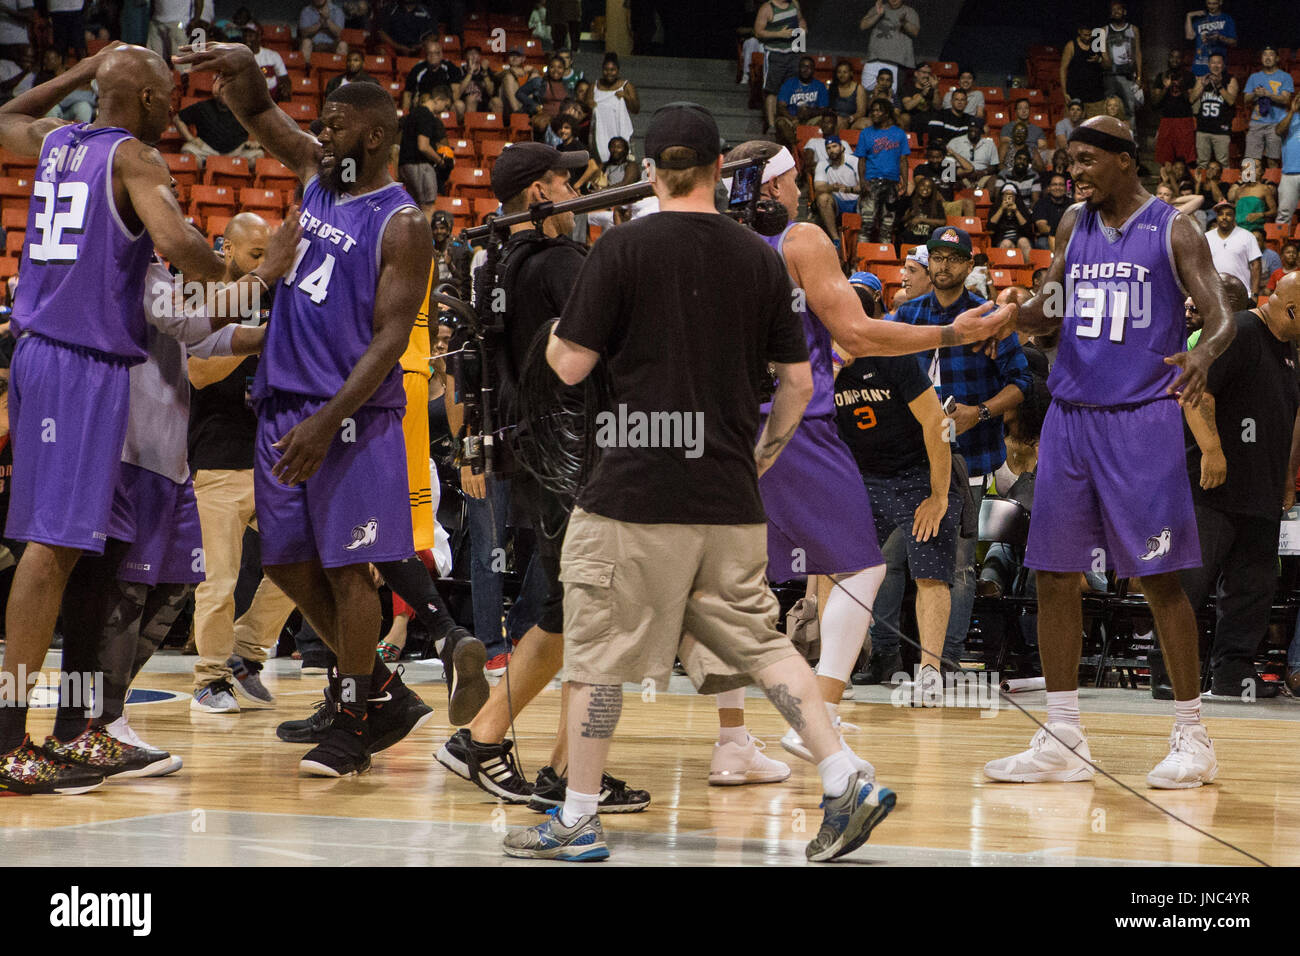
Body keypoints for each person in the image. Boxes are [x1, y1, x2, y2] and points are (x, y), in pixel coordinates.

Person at [505, 107, 980, 863]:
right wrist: (758, 457)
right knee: (759, 641)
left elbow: (568, 367)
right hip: (729, 492)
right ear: (721, 168)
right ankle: (840, 773)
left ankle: (578, 815)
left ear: (654, 171)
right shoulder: (767, 255)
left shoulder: (621, 249)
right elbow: (796, 383)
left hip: (633, 487)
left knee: (596, 655)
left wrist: (558, 335)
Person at [175, 41, 439, 778]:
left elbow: (389, 340)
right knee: (289, 564)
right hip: (281, 407)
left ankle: (354, 718)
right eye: (321, 123)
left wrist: (328, 423)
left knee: (351, 571)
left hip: (347, 419)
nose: (323, 134)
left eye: (337, 123)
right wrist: (238, 65)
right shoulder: (320, 178)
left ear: (376, 135)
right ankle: (379, 691)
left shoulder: (402, 223)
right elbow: (259, 111)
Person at [719, 140, 1012, 768]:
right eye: (795, 180)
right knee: (862, 567)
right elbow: (856, 331)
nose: (802, 191)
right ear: (772, 189)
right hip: (797, 422)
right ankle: (815, 717)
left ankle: (731, 743)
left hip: (725, 427)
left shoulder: (715, 239)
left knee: (728, 582)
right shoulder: (801, 239)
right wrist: (955, 331)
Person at [0, 43, 232, 794]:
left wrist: (85, 71)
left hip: (49, 353)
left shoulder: (58, 140)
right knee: (50, 550)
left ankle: (76, 727)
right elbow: (183, 252)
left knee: (81, 554)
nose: (173, 107)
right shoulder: (136, 159)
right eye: (166, 96)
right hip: (79, 361)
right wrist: (237, 266)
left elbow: (7, 114)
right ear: (154, 102)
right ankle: (6, 739)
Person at [985, 116, 1237, 790]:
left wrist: (1204, 354)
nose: (1078, 173)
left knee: (1159, 577)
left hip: (1141, 416)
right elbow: (1054, 305)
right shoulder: (1074, 223)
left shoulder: (1171, 228)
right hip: (1069, 416)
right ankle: (1062, 738)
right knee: (1050, 572)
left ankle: (1193, 735)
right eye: (1072, 161)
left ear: (1126, 160)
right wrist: (1019, 311)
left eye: (1089, 160)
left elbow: (1220, 314)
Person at [433, 142, 653, 810]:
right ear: (537, 193)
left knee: (578, 613)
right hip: (575, 456)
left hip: (534, 452)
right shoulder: (559, 264)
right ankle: (494, 742)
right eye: (563, 180)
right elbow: (613, 347)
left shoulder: (497, 260)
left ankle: (550, 763)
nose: (573, 191)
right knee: (588, 615)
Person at [888, 225, 1031, 666]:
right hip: (905, 455)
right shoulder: (907, 315)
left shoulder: (989, 318)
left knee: (957, 564)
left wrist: (979, 412)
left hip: (966, 456)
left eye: (953, 257)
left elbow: (1022, 383)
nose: (944, 264)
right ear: (928, 262)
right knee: (891, 560)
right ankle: (883, 655)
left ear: (969, 265)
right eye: (937, 256)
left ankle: (946, 659)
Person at [1157, 273, 1300, 700]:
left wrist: (1287, 480)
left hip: (1263, 491)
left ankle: (1232, 673)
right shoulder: (1237, 331)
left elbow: (1290, 417)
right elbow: (1193, 390)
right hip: (1211, 487)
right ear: (1292, 310)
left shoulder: (1290, 350)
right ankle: (1167, 669)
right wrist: (1213, 450)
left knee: (1251, 591)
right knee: (1189, 582)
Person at [834, 274, 963, 705]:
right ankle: (835, 671)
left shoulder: (893, 357)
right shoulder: (820, 366)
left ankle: (928, 674)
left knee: (929, 571)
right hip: (862, 478)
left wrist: (938, 495)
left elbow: (936, 423)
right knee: (841, 569)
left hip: (920, 474)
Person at [187, 214, 298, 713]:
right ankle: (209, 678)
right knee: (221, 580)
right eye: (257, 256)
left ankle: (247, 653)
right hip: (217, 459)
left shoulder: (277, 302)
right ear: (227, 250)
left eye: (269, 254)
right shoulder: (202, 302)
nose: (266, 264)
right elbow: (199, 373)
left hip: (272, 459)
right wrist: (253, 333)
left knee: (301, 559)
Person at [853, 98, 908, 242]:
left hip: (892, 183)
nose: (875, 113)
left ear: (887, 113)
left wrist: (906, 183)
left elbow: (903, 160)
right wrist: (862, 181)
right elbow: (861, 160)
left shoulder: (899, 134)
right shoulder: (866, 133)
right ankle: (861, 259)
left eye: (879, 110)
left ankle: (885, 258)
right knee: (867, 223)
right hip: (871, 182)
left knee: (887, 226)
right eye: (873, 110)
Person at [398, 85, 451, 219]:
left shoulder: (413, 114)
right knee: (428, 207)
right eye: (445, 106)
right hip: (420, 165)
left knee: (414, 207)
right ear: (438, 99)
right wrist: (440, 161)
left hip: (405, 165)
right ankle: (425, 240)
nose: (443, 110)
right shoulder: (426, 115)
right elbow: (423, 146)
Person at [754, 0, 806, 138]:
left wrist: (803, 30)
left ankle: (789, 121)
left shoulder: (794, 3)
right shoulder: (767, 8)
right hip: (775, 54)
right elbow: (758, 32)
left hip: (793, 53)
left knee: (792, 89)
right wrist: (779, 34)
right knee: (772, 90)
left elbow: (800, 20)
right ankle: (771, 124)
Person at [175, 91, 263, 165]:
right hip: (207, 150)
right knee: (187, 151)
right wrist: (190, 139)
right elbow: (178, 119)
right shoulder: (203, 107)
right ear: (216, 93)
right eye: (222, 92)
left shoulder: (244, 110)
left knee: (258, 155)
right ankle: (199, 183)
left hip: (238, 152)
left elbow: (266, 127)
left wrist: (257, 142)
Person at [1244, 46, 1292, 169]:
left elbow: (1286, 100)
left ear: (1277, 58)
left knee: (1273, 160)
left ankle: (1272, 186)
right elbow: (1245, 100)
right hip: (1256, 123)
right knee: (1250, 161)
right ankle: (1248, 186)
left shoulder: (1285, 77)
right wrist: (1256, 94)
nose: (1267, 57)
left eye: (1271, 54)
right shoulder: (1254, 77)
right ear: (1261, 58)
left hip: (1276, 124)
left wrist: (1268, 94)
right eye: (1265, 54)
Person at [585, 53, 637, 164]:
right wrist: (590, 104)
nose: (609, 73)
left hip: (619, 129)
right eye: (606, 70)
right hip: (600, 131)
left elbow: (636, 109)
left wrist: (626, 97)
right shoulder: (594, 86)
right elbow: (586, 107)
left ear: (618, 70)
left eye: (612, 70)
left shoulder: (626, 86)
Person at [859, 0, 918, 96]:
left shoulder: (910, 11)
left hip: (897, 63)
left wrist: (904, 22)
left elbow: (915, 32)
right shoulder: (878, 8)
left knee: (893, 96)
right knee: (867, 93)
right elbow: (863, 25)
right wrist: (877, 14)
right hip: (874, 60)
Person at [1152, 49, 1197, 167]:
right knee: (1165, 158)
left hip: (1184, 120)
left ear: (1182, 60)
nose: (1175, 60)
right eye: (1172, 57)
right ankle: (1166, 182)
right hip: (1167, 120)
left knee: (1185, 157)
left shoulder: (1189, 76)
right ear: (1168, 58)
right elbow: (1155, 102)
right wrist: (1166, 88)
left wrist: (1181, 86)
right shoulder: (1161, 76)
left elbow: (1191, 99)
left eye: (1178, 57)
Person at [1101, 2, 1141, 133]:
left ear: (1124, 11)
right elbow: (1101, 53)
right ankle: (1108, 135)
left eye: (1118, 10)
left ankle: (1131, 139)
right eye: (1113, 10)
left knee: (1130, 108)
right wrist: (1104, 57)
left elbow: (1138, 52)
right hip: (1110, 76)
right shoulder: (1104, 30)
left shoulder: (1133, 29)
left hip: (1127, 75)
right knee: (1109, 108)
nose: (1115, 12)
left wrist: (1139, 76)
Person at [1205, 200, 1261, 295]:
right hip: (1213, 293)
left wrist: (1255, 293)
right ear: (1217, 217)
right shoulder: (1206, 237)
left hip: (1241, 293)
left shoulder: (1247, 236)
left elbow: (1256, 266)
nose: (1224, 217)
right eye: (1220, 214)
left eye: (1228, 214)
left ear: (1234, 216)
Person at [1191, 54, 1237, 168]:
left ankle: (1224, 185)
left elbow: (1231, 101)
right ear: (1208, 65)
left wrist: (1219, 86)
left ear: (1223, 65)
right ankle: (1201, 185)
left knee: (1223, 163)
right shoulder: (1203, 79)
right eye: (1213, 63)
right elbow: (1191, 99)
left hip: (1221, 129)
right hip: (1203, 128)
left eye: (1218, 63)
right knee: (1202, 163)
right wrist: (1202, 85)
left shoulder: (1230, 80)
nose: (1215, 66)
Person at [813, 134, 859, 246]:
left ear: (842, 147)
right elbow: (818, 188)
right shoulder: (823, 164)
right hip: (839, 202)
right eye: (828, 148)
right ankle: (836, 239)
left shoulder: (854, 161)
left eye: (834, 146)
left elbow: (865, 187)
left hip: (857, 201)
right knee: (823, 198)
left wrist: (849, 189)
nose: (831, 150)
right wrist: (832, 187)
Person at [774, 55, 828, 149]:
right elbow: (781, 106)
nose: (805, 70)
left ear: (813, 69)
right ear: (799, 68)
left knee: (824, 121)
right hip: (791, 119)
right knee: (781, 122)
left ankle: (807, 148)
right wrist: (793, 118)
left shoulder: (820, 86)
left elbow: (824, 109)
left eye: (809, 67)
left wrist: (810, 112)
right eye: (803, 66)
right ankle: (796, 148)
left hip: (811, 120)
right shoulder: (789, 83)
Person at [402, 38, 463, 116]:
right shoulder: (417, 70)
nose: (433, 56)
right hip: (425, 103)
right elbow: (408, 94)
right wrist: (405, 114)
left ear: (441, 54)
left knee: (459, 105)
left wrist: (445, 104)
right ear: (426, 55)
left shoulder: (450, 68)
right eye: (430, 53)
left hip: (446, 104)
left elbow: (456, 92)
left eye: (436, 53)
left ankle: (455, 127)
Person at [1060, 23, 1107, 118]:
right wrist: (1064, 92)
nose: (1088, 38)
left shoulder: (1098, 44)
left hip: (1095, 96)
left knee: (1096, 127)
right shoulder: (1071, 46)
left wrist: (1099, 59)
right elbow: (1063, 69)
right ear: (1079, 32)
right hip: (1076, 94)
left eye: (1090, 35)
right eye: (1085, 35)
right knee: (1074, 128)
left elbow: (1108, 64)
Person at [1186, 0, 1236, 78]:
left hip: (1217, 66)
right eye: (1209, 3)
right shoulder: (1200, 19)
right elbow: (1189, 36)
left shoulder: (1226, 19)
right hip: (1200, 64)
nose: (1211, 6)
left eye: (1214, 4)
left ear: (1220, 2)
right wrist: (1189, 16)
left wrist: (1220, 37)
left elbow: (1234, 42)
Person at [947, 117, 997, 190]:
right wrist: (964, 172)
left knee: (994, 180)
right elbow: (947, 163)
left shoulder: (989, 144)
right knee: (951, 178)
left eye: (976, 127)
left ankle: (990, 201)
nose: (973, 130)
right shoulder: (955, 142)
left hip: (982, 177)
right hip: (962, 176)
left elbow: (994, 166)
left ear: (981, 130)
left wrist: (984, 172)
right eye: (971, 127)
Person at [243, 23, 289, 103]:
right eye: (245, 35)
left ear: (259, 37)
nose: (247, 39)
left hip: (271, 97)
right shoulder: (238, 57)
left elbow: (284, 78)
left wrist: (285, 89)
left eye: (250, 36)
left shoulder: (272, 56)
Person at [898, 172, 944, 248]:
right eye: (923, 185)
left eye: (929, 187)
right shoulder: (906, 201)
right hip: (909, 236)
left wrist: (921, 220)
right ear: (917, 187)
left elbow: (942, 221)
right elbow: (898, 221)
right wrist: (909, 215)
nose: (925, 189)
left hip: (927, 237)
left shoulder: (936, 204)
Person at [1276, 92, 1300, 227]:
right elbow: (1279, 131)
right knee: (1283, 215)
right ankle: (1280, 246)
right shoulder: (1286, 116)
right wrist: (1292, 111)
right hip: (1289, 173)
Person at [1033, 172, 1071, 250]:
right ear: (1049, 188)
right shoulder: (1041, 204)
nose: (1058, 187)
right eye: (1054, 184)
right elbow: (1042, 227)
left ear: (1065, 188)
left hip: (1068, 237)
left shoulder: (1072, 204)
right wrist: (1060, 234)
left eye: (1061, 185)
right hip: (1047, 237)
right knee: (1041, 243)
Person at [830, 59, 867, 130]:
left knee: (866, 123)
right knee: (839, 121)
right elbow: (829, 108)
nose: (842, 75)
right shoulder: (833, 87)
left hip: (853, 119)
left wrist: (850, 118)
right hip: (836, 119)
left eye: (845, 72)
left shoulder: (859, 88)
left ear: (851, 73)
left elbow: (861, 111)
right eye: (839, 72)